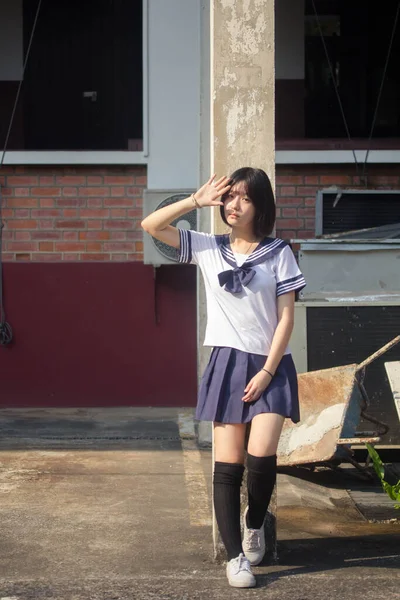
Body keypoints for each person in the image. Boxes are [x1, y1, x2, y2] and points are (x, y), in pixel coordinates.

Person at [141, 168, 305, 588]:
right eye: (229, 197)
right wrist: (195, 201)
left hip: (271, 363)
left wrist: (269, 371)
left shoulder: (279, 252)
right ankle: (236, 558)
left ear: (260, 206)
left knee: (262, 455)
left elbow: (286, 316)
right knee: (228, 464)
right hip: (228, 363)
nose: (233, 205)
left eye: (244, 199)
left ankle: (254, 524)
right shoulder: (207, 247)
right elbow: (151, 226)